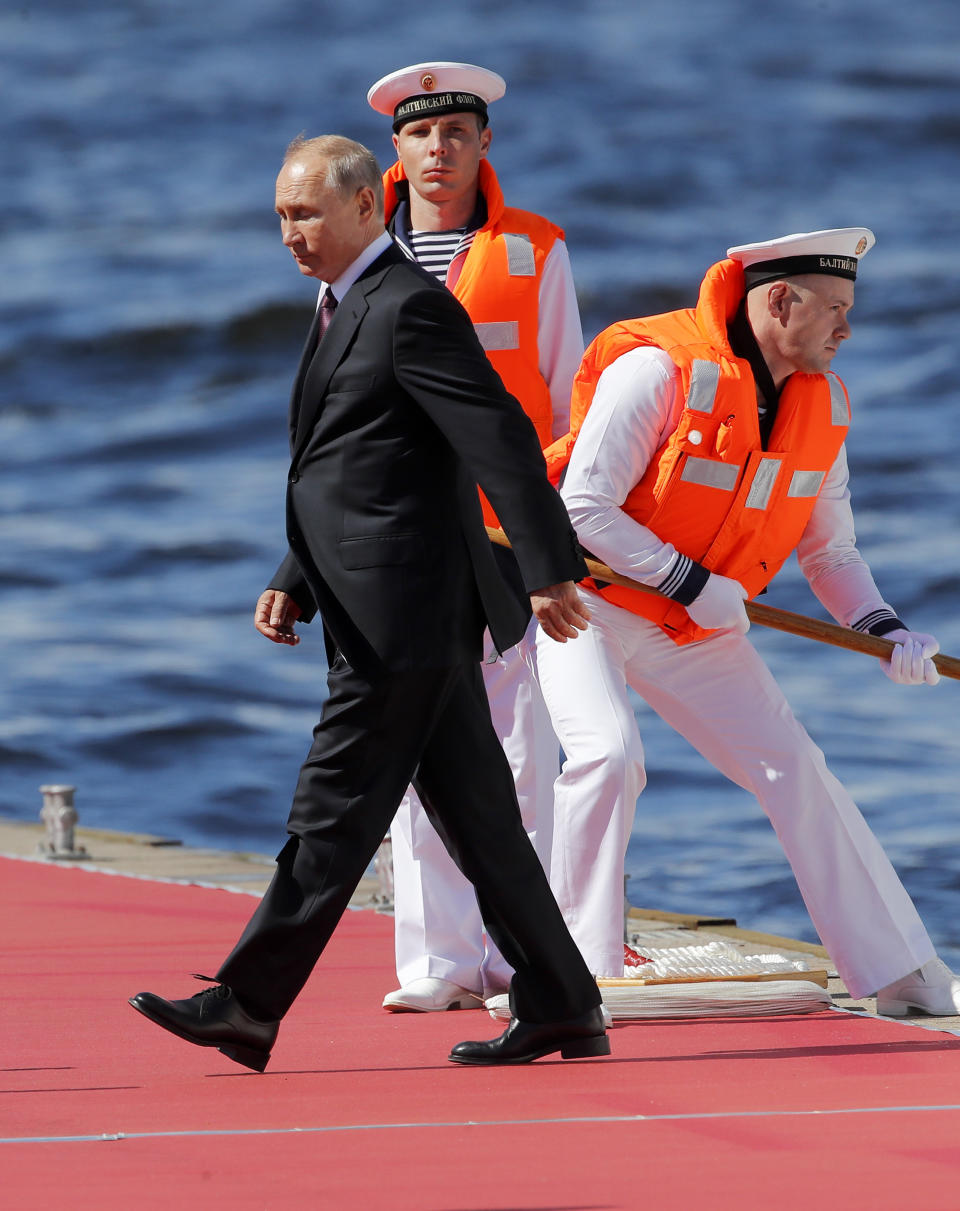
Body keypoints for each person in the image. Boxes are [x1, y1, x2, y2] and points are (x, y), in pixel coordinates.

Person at [129, 134, 610, 1069]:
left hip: (407, 616)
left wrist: (552, 569)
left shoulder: (410, 309)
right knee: (479, 818)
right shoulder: (344, 303)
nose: (289, 234)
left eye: (305, 214)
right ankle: (563, 1001)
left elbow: (500, 437)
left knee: (335, 802)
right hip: (377, 600)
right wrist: (293, 575)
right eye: (280, 217)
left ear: (361, 207)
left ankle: (247, 1001)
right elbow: (359, 465)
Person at [530, 227, 959, 1016]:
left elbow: (831, 554)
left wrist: (883, 628)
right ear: (779, 300)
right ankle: (577, 971)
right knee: (608, 755)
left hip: (692, 624)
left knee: (795, 767)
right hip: (583, 601)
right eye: (833, 308)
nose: (847, 328)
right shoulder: (655, 370)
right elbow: (581, 508)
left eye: (849, 309)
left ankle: (900, 971)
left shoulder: (823, 404)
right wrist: (690, 581)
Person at [362, 60, 585, 1014]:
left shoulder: (538, 249)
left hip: (502, 535)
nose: (439, 151)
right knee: (413, 742)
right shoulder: (363, 254)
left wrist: (548, 539)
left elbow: (569, 397)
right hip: (407, 536)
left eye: (456, 133)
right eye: (421, 135)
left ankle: (513, 955)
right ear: (397, 151)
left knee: (520, 749)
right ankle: (439, 959)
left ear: (484, 144)